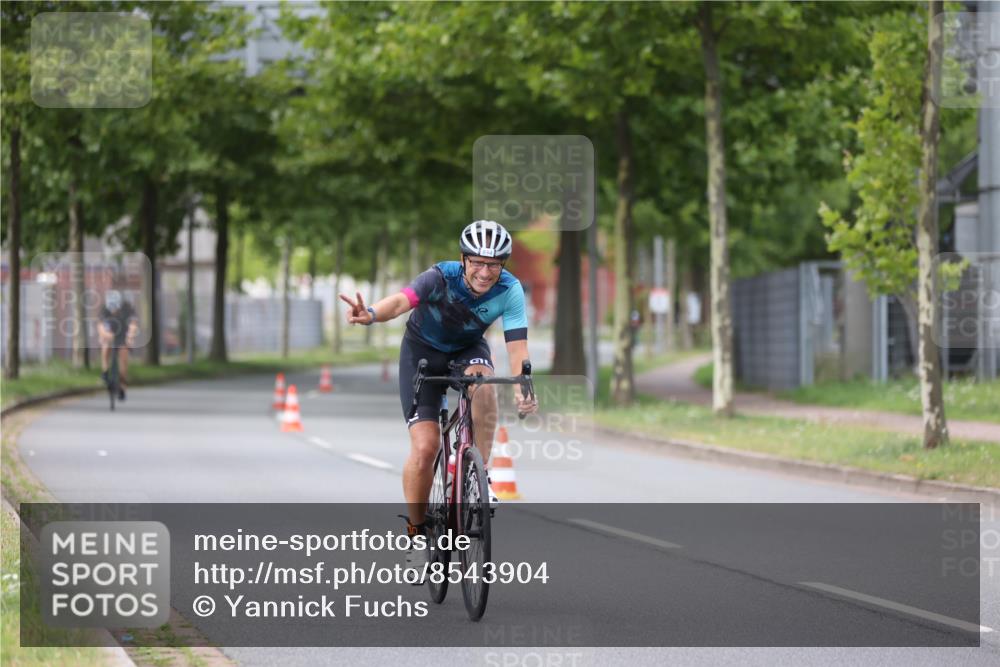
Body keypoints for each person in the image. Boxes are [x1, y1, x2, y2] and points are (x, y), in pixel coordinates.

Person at [340, 220, 538, 568]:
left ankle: (478, 477)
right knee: (425, 448)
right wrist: (370, 314)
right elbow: (400, 302)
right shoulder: (439, 277)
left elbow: (517, 348)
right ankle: (417, 534)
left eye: (493, 265)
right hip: (422, 352)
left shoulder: (510, 289)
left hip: (467, 349)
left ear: (503, 265)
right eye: (477, 262)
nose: (484, 272)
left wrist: (524, 387)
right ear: (463, 260)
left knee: (484, 385)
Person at [98, 290, 138, 401]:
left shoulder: (127, 308)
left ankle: (122, 387)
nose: (113, 311)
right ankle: (105, 371)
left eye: (115, 308)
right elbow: (101, 326)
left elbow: (133, 325)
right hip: (110, 332)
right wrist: (105, 335)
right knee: (105, 345)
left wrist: (130, 337)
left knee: (123, 358)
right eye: (111, 308)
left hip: (123, 333)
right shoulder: (104, 310)